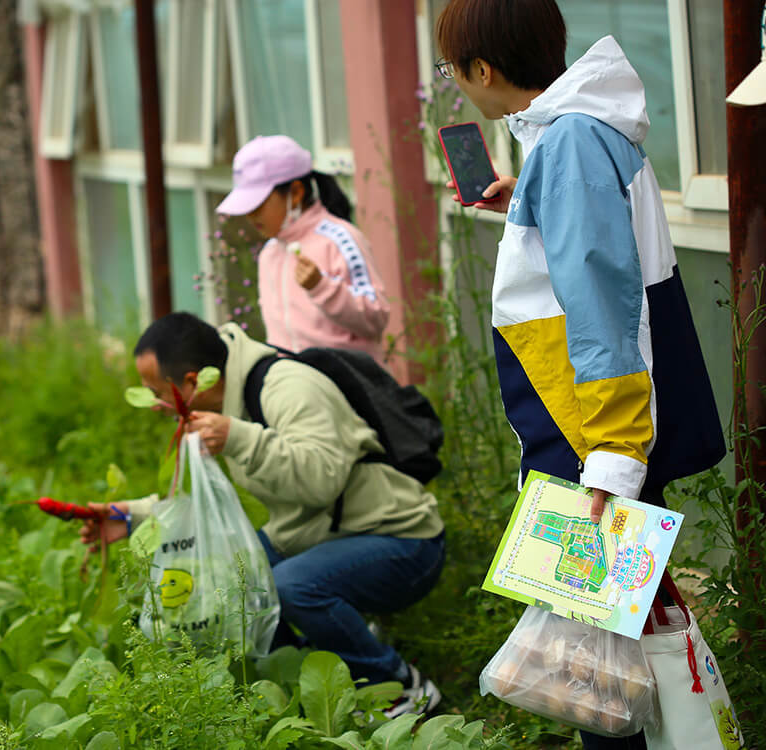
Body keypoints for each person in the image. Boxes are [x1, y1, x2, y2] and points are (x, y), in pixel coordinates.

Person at [434, 1, 726, 748]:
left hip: (594, 437)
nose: (457, 84)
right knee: (614, 662)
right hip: (604, 431)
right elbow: (600, 270)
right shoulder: (580, 135)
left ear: (482, 70)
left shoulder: (567, 147)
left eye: (452, 69)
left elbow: (603, 309)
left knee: (597, 682)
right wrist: (526, 205)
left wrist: (611, 465)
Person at [80, 312, 447, 717]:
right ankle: (318, 674)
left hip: (403, 539)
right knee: (230, 572)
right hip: (322, 536)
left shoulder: (287, 388)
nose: (153, 405)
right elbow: (207, 507)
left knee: (290, 585)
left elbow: (324, 477)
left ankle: (396, 685)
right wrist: (131, 515)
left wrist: (239, 438)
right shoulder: (215, 411)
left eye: (156, 392)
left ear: (192, 381)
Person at [215, 135, 391, 362]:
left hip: (348, 390)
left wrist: (322, 287)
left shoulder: (340, 239)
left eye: (258, 204)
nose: (250, 216)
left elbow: (376, 317)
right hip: (295, 389)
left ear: (296, 193)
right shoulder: (270, 253)